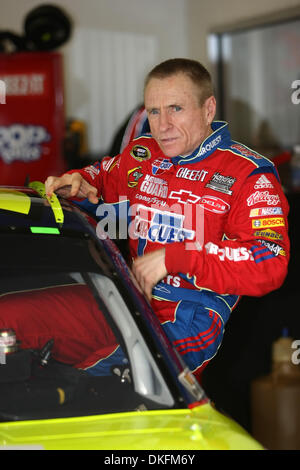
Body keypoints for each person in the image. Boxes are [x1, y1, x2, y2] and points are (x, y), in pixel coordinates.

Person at [45, 58, 290, 382]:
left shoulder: (249, 174)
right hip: (125, 297)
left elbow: (270, 262)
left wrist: (177, 257)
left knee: (91, 386)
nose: (162, 125)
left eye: (175, 108)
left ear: (207, 109)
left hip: (191, 314)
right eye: (154, 111)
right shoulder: (142, 153)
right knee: (15, 319)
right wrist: (76, 181)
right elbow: (102, 177)